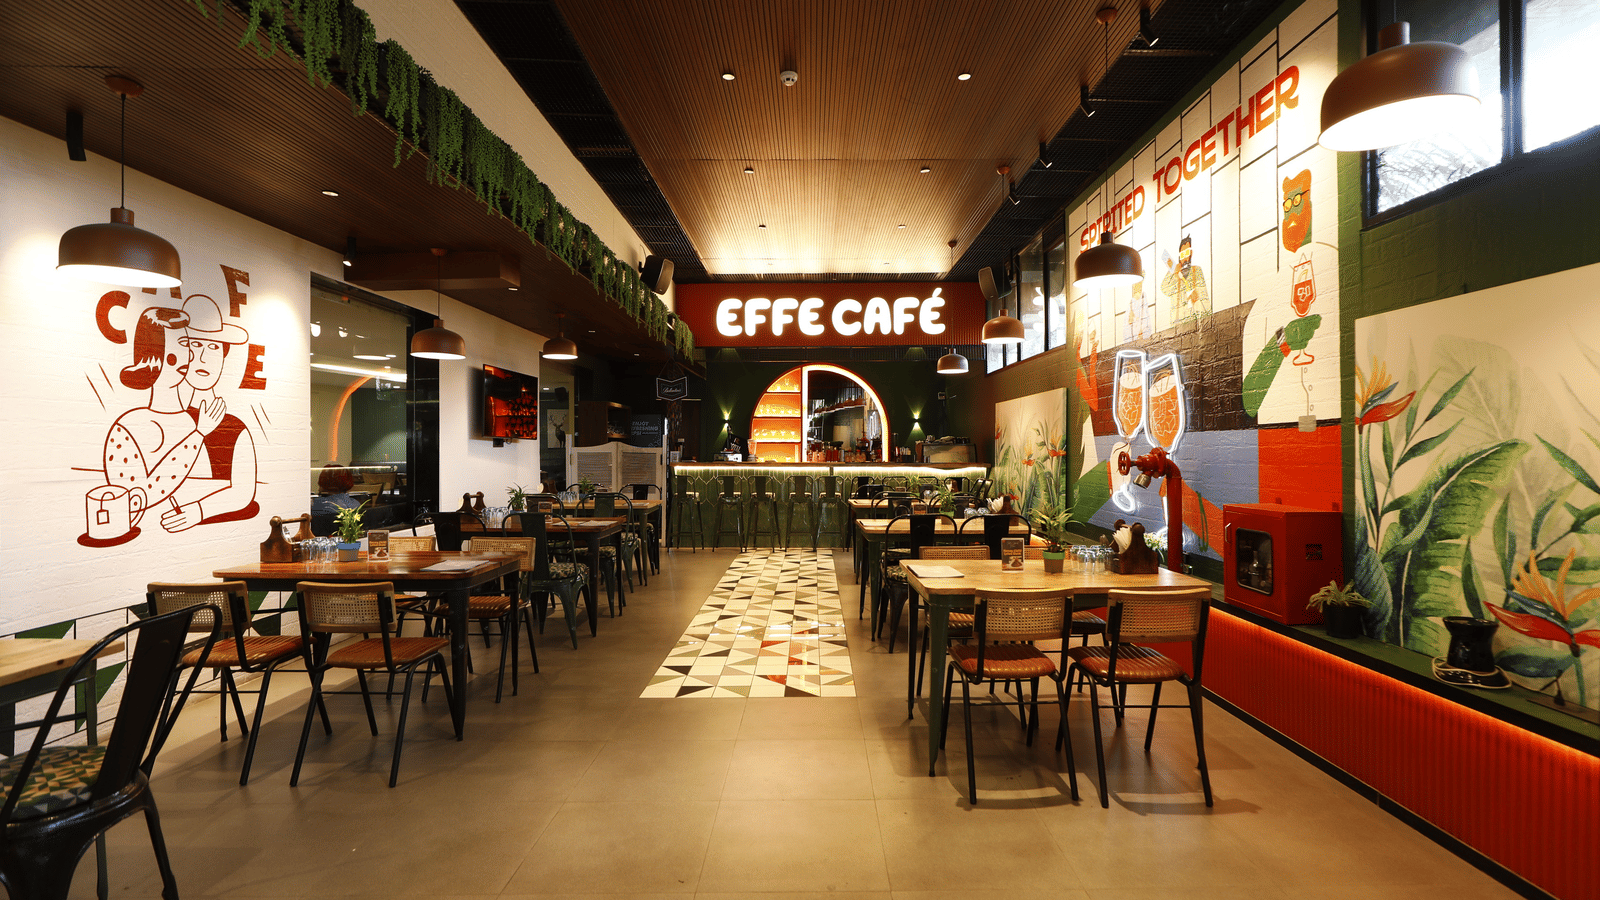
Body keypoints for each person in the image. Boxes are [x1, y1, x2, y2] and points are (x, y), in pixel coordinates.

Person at [102, 305, 224, 513]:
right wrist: (198, 435)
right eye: (180, 346)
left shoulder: (193, 420)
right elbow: (133, 500)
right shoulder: (129, 426)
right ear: (154, 354)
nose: (188, 356)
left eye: (187, 346)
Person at [159, 294, 260, 532]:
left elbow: (244, 491)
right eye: (194, 345)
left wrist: (197, 510)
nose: (203, 357)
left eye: (213, 347)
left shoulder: (235, 428)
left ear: (224, 356)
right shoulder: (169, 420)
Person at [1159, 235, 1211, 325]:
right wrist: (1172, 272)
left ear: (1191, 253)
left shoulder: (1196, 270)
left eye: (1187, 253)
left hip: (1196, 319)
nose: (1185, 257)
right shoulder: (1174, 276)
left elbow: (1204, 298)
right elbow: (1164, 289)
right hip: (1178, 322)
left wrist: (1196, 299)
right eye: (1182, 254)